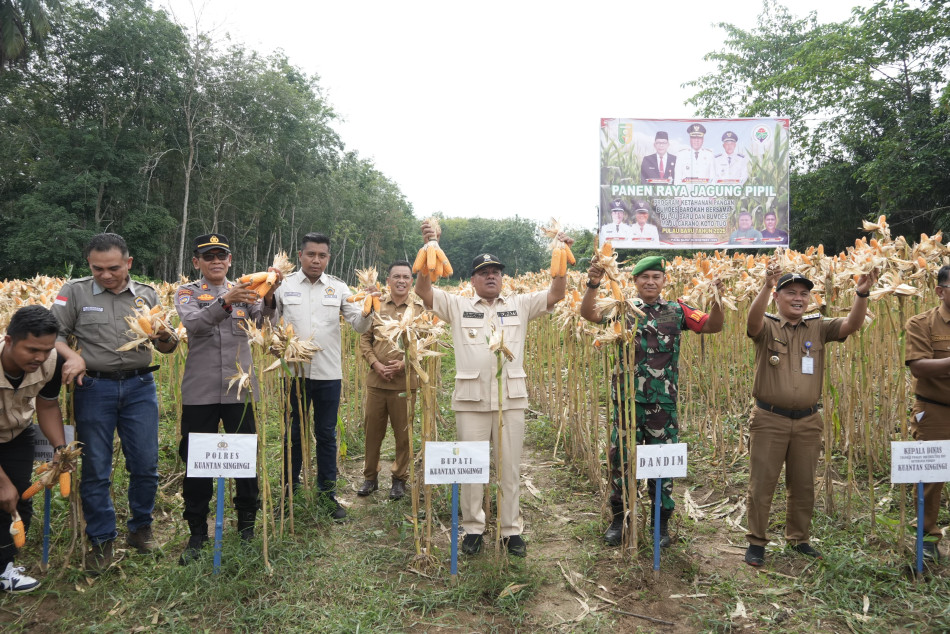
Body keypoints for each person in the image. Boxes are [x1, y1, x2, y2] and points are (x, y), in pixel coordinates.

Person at [414, 222, 572, 557]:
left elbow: (557, 294)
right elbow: (424, 293)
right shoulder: (458, 306)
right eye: (483, 272)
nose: (490, 276)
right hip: (470, 400)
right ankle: (473, 529)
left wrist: (560, 254)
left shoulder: (520, 304)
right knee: (472, 468)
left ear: (502, 277)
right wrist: (430, 248)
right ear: (472, 279)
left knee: (510, 467)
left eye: (495, 271)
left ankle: (510, 530)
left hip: (510, 399)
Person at [52, 233, 178, 574]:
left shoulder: (147, 294)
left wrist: (165, 335)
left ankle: (141, 528)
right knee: (95, 467)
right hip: (93, 387)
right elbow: (55, 334)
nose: (106, 275)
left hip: (140, 386)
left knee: (146, 464)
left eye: (113, 268)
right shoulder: (74, 291)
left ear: (129, 263)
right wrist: (72, 358)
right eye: (97, 269)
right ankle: (102, 539)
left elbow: (167, 346)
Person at [581, 256, 724, 547]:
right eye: (644, 277)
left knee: (661, 465)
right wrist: (593, 283)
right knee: (621, 462)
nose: (650, 282)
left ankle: (660, 524)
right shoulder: (622, 308)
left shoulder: (677, 310)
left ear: (664, 281)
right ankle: (621, 519)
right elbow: (590, 314)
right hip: (626, 402)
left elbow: (711, 326)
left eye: (656, 276)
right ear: (634, 281)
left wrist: (718, 298)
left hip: (662, 404)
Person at [744, 269, 876, 566]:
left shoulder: (818, 327)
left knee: (803, 484)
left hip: (807, 421)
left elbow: (852, 324)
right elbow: (752, 323)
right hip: (769, 419)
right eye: (791, 292)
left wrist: (862, 292)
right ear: (777, 297)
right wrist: (764, 287)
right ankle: (756, 542)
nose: (798, 298)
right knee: (762, 483)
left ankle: (799, 539)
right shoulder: (767, 325)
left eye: (804, 293)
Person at [175, 233, 280, 564]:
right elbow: (194, 323)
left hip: (240, 389)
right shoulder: (187, 292)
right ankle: (196, 532)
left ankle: (247, 527)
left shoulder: (248, 290)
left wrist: (270, 296)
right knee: (196, 462)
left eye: (222, 255)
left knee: (245, 458)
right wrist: (226, 301)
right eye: (209, 257)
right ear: (197, 262)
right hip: (200, 391)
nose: (216, 261)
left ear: (230, 260)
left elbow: (264, 323)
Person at [274, 233, 374, 520]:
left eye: (322, 255)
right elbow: (269, 322)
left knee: (326, 435)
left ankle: (327, 495)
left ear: (328, 258)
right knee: (292, 435)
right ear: (300, 255)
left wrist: (369, 306)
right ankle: (288, 495)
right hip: (294, 374)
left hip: (329, 374)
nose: (316, 260)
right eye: (311, 254)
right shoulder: (284, 286)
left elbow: (358, 324)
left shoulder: (339, 288)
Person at [0, 306, 68, 593]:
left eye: (47, 349)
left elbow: (48, 406)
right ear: (9, 340)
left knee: (18, 503)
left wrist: (60, 449)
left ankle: (4, 567)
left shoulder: (52, 361)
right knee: (5, 493)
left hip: (16, 433)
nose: (40, 357)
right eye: (32, 350)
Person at [356, 261, 422, 501]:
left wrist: (405, 363)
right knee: (373, 432)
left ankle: (399, 479)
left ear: (411, 281)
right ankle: (370, 477)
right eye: (397, 276)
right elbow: (365, 339)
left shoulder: (418, 308)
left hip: (404, 384)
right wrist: (376, 364)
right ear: (388, 281)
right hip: (377, 382)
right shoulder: (376, 305)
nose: (401, 280)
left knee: (403, 434)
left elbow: (425, 342)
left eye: (406, 276)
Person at [903, 264, 950, 563]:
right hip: (935, 410)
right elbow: (918, 366)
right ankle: (928, 537)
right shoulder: (921, 323)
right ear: (940, 291)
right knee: (932, 477)